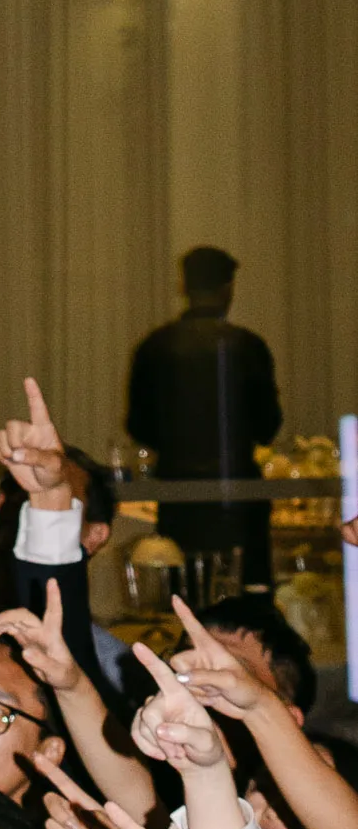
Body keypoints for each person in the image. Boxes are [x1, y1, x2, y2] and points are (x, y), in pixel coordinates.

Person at [128, 246, 284, 590]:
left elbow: (138, 425)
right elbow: (268, 425)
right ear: (228, 287)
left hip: (178, 492)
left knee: (186, 596)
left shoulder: (155, 347)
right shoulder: (247, 346)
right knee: (248, 597)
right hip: (238, 491)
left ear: (184, 286)